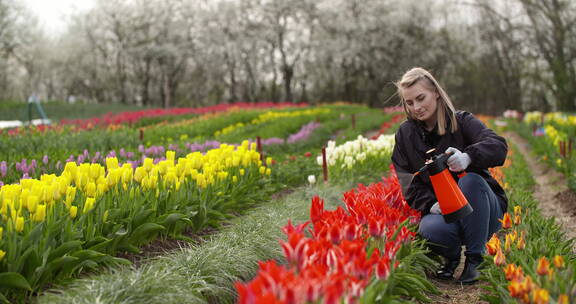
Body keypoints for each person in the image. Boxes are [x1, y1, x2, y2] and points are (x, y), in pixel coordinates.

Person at [391, 67, 508, 285]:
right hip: (446, 213)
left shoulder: (462, 122)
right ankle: (451, 257)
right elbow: (408, 183)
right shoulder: (405, 135)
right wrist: (431, 204)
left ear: (435, 92)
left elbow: (499, 146)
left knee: (471, 180)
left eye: (420, 98)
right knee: (429, 228)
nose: (416, 107)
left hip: (482, 210)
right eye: (409, 102)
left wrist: (468, 157)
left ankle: (475, 260)